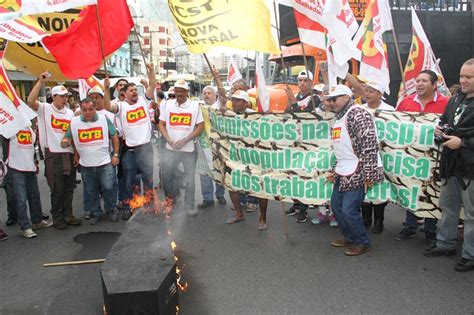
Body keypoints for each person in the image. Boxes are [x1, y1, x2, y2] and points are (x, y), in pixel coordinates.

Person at [423, 59, 474, 272]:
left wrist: (463, 142)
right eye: (462, 76)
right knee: (449, 205)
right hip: (451, 164)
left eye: (468, 77)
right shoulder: (455, 99)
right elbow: (444, 120)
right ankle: (445, 243)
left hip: (470, 167)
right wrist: (440, 130)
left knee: (471, 213)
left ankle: (470, 254)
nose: (463, 80)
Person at [326, 85, 384, 256]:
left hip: (358, 168)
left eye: (334, 99)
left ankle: (362, 242)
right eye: (330, 100)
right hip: (343, 169)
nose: (331, 103)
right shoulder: (339, 117)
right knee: (336, 206)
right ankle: (350, 236)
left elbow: (369, 145)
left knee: (349, 210)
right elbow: (341, 147)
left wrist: (369, 174)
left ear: (346, 97)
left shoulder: (358, 113)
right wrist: (334, 170)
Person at [395, 70, 449, 244]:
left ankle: (430, 228)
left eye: (424, 81)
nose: (419, 84)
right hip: (411, 157)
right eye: (417, 80)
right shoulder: (406, 102)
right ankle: (409, 225)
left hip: (434, 158)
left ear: (434, 85)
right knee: (411, 188)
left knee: (431, 191)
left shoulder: (446, 103)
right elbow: (394, 125)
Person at [27, 72, 81, 230]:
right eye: (62, 96)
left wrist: (76, 154)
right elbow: (30, 101)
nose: (65, 99)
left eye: (66, 96)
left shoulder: (70, 113)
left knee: (70, 186)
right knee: (57, 188)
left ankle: (68, 214)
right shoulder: (45, 109)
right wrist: (40, 82)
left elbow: (73, 134)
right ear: (54, 97)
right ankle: (57, 216)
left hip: (69, 153)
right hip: (53, 154)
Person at [105, 64, 156, 218]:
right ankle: (130, 206)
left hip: (146, 148)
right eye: (131, 90)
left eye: (135, 89)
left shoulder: (143, 100)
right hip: (130, 151)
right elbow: (107, 106)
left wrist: (151, 71)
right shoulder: (121, 106)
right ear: (124, 94)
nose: (134, 92)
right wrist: (106, 89)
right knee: (129, 181)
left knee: (148, 178)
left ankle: (150, 205)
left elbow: (152, 85)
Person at [61, 98, 120, 224]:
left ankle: (111, 209)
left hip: (104, 163)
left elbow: (114, 136)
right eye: (84, 110)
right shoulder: (74, 122)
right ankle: (95, 212)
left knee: (109, 187)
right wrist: (65, 142)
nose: (88, 112)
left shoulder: (104, 119)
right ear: (80, 110)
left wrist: (115, 154)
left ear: (95, 108)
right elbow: (67, 137)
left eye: (90, 109)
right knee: (91, 190)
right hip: (86, 165)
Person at [158, 79, 204, 216]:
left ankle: (189, 205)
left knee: (190, 178)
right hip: (170, 148)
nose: (179, 93)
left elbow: (200, 126)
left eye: (181, 91)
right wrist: (169, 140)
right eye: (177, 90)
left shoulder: (195, 106)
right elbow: (161, 124)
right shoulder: (167, 105)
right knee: (166, 176)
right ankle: (170, 201)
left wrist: (185, 140)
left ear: (187, 92)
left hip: (188, 149)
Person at [225, 90, 269, 230]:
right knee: (231, 184)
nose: (234, 102)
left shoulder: (255, 116)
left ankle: (263, 217)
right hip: (236, 157)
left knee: (260, 188)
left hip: (255, 158)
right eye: (233, 99)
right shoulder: (229, 115)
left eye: (238, 100)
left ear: (245, 102)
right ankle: (239, 213)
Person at [284, 70, 321, 223]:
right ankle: (296, 204)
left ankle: (304, 209)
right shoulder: (296, 96)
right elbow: (287, 115)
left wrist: (293, 103)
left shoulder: (315, 98)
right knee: (294, 175)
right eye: (300, 80)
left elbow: (306, 117)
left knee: (305, 176)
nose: (302, 83)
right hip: (295, 142)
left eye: (305, 80)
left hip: (308, 143)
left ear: (311, 83)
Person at [6, 124, 52, 238]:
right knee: (21, 200)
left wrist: (35, 162)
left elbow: (32, 147)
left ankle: (37, 221)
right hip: (16, 167)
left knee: (34, 196)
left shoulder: (29, 128)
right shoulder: (8, 128)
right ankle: (25, 227)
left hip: (30, 167)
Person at [360, 81, 394, 233]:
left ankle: (379, 220)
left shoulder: (389, 110)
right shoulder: (359, 109)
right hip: (363, 154)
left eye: (371, 91)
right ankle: (366, 218)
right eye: (366, 90)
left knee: (380, 187)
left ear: (380, 94)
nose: (367, 93)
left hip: (383, 153)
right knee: (364, 186)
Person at [197, 86, 226, 209]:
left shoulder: (218, 107)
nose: (206, 95)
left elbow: (224, 96)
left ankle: (220, 195)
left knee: (219, 171)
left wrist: (219, 80)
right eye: (204, 93)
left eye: (209, 93)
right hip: (202, 146)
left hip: (217, 146)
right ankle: (207, 198)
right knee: (204, 173)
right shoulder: (198, 108)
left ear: (215, 96)